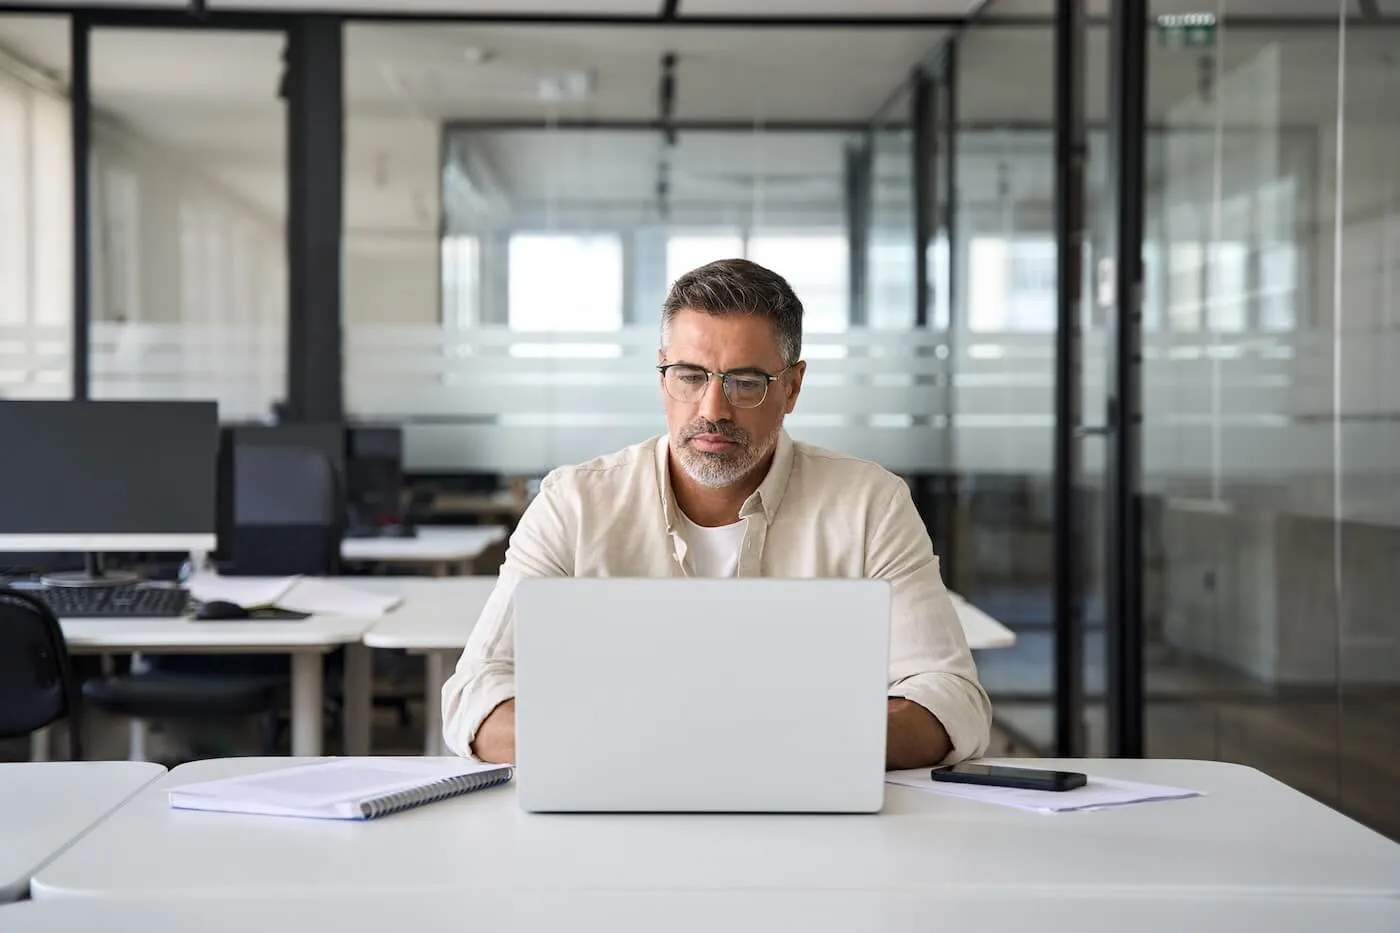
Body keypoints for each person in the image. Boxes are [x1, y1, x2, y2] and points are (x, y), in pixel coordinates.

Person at [441, 258, 992, 769]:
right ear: (662, 376)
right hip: (613, 816)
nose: (712, 410)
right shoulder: (575, 503)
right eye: (690, 375)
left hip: (809, 819)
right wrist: (663, 749)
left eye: (746, 382)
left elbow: (952, 699)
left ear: (793, 387)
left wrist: (771, 749)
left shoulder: (871, 504)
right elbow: (475, 695)